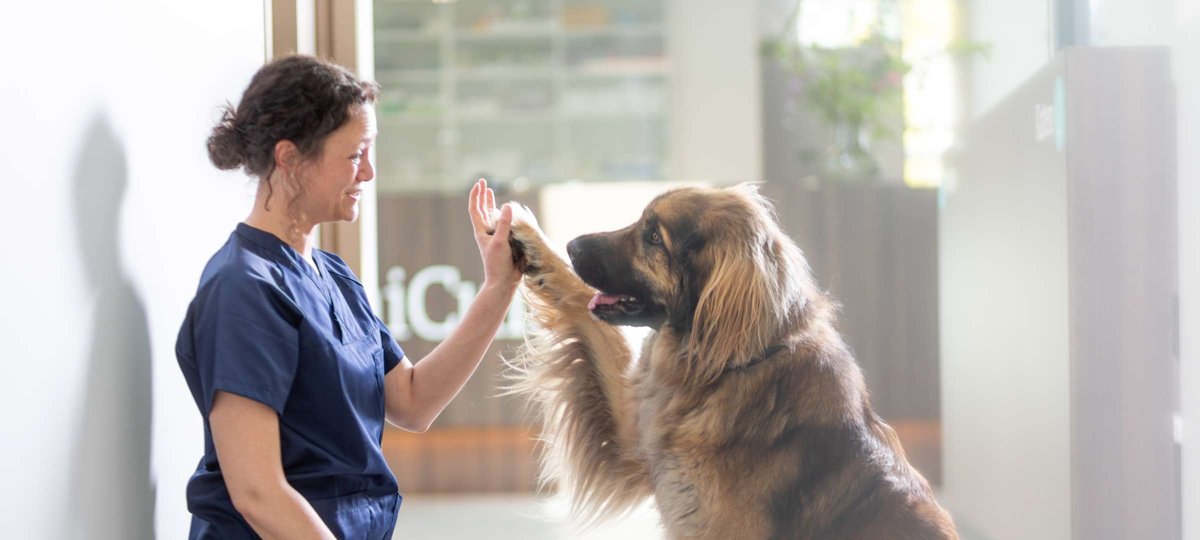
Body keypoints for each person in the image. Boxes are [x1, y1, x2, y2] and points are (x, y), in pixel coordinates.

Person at [176, 54, 520, 539]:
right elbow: (257, 492)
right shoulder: (242, 288)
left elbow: (413, 401)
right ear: (290, 158)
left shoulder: (332, 274)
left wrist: (498, 287)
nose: (369, 173)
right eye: (355, 154)